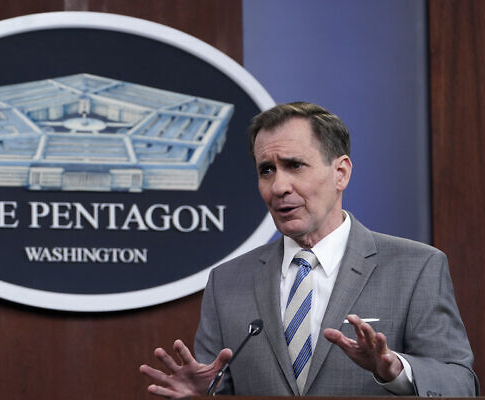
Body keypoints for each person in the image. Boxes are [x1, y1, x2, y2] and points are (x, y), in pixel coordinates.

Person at [139, 102, 478, 397]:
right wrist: (203, 395)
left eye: (294, 165)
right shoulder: (227, 282)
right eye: (266, 170)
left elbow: (460, 384)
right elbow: (221, 387)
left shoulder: (416, 267)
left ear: (340, 173)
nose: (279, 187)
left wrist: (396, 370)